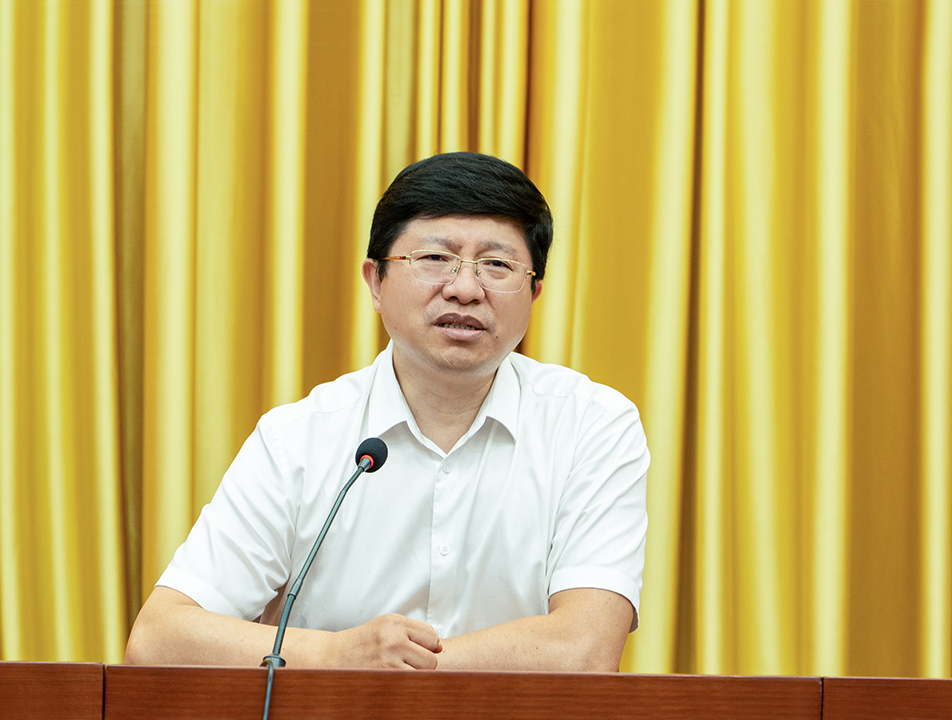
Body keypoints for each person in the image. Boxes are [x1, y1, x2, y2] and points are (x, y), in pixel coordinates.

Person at [124, 152, 649, 671]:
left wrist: (393, 672)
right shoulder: (297, 439)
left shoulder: (592, 427)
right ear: (375, 282)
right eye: (435, 258)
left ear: (533, 293)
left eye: (497, 265)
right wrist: (336, 655)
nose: (465, 289)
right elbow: (157, 642)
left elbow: (585, 650)